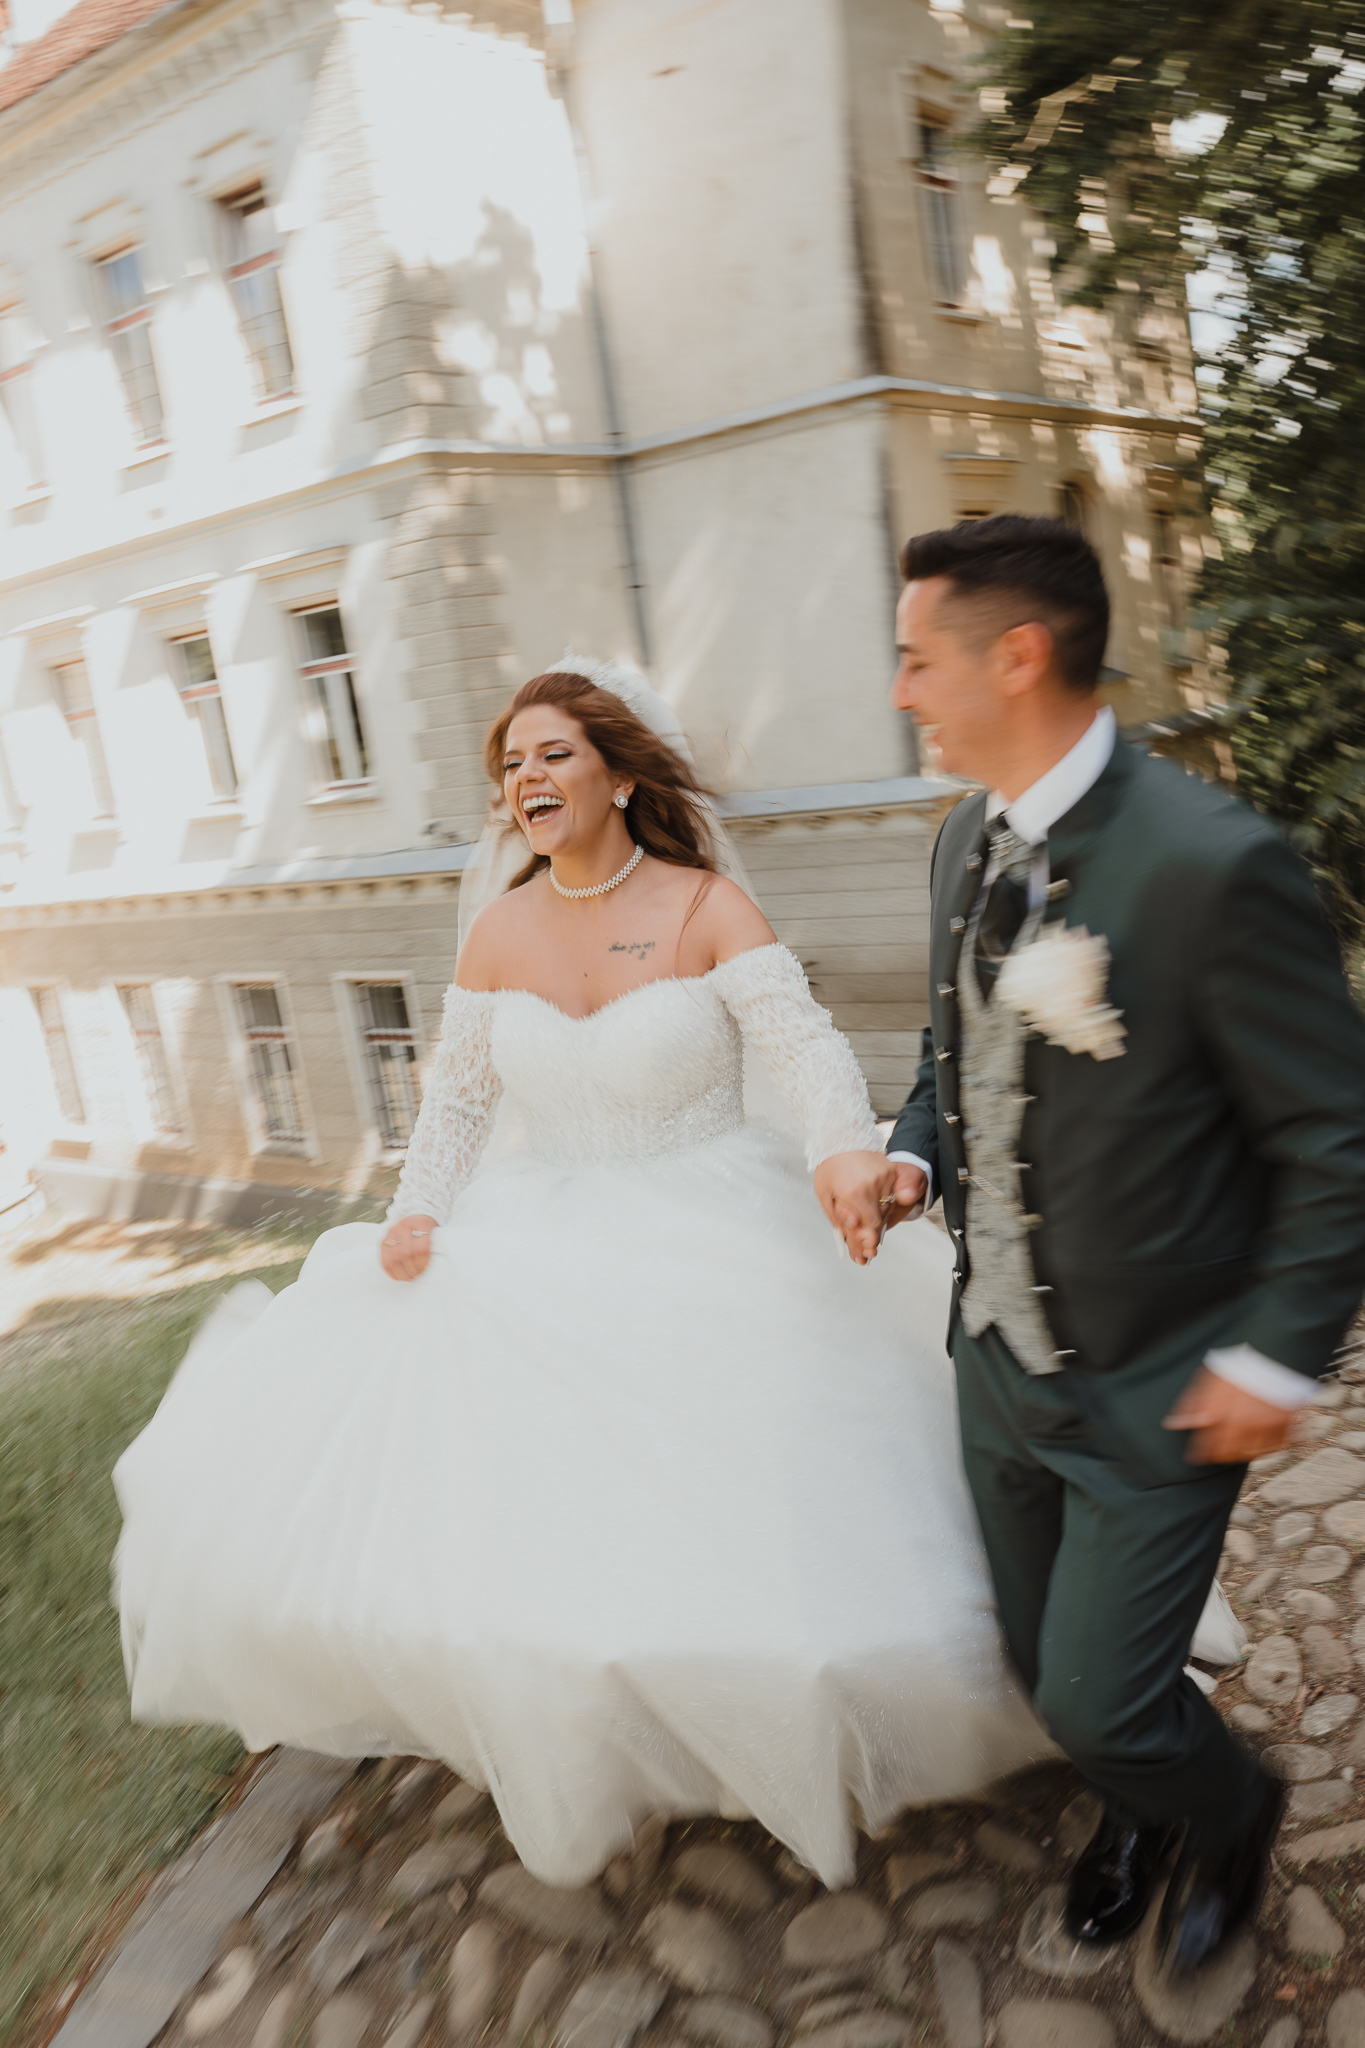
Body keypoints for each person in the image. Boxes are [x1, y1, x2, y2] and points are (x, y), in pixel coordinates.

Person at [114, 659, 1055, 1889]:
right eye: (512, 762)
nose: (528, 776)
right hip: (538, 1231)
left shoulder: (705, 904)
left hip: (717, 1223)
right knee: (543, 1531)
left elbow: (807, 1048)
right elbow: (457, 1100)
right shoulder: (499, 929)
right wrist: (416, 1210)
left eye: (554, 752)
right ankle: (609, 1739)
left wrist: (840, 1149)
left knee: (755, 1523)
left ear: (618, 774)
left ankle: (795, 1714)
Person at [823, 515, 1365, 1972]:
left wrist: (1274, 1357)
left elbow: (1336, 1144)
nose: (900, 689)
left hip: (1158, 1380)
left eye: (915, 658)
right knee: (1037, 1658)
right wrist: (908, 1159)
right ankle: (1140, 1801)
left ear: (1017, 654)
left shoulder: (1213, 862)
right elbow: (951, 1055)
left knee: (1100, 1694)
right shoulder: (961, 839)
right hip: (994, 1359)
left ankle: (1232, 1809)